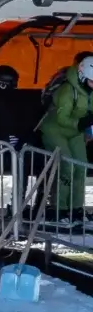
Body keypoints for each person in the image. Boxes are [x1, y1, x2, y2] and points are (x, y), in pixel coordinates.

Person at [39, 52, 93, 215]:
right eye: (92, 81)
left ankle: (76, 207)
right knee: (67, 167)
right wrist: (81, 123)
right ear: (83, 77)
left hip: (75, 131)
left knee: (81, 166)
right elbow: (62, 118)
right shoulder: (67, 90)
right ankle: (60, 208)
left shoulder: (89, 90)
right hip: (55, 130)